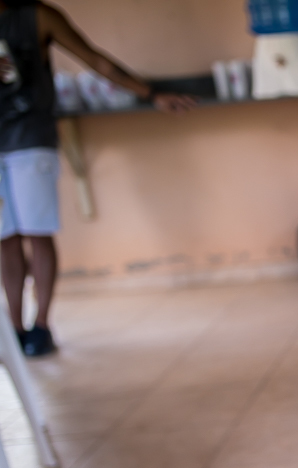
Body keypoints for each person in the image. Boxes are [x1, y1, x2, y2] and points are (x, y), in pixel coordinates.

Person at [0, 0, 194, 355]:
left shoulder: (38, 16)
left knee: (37, 232)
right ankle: (14, 328)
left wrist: (151, 94)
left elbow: (95, 60)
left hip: (29, 140)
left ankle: (41, 326)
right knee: (5, 240)